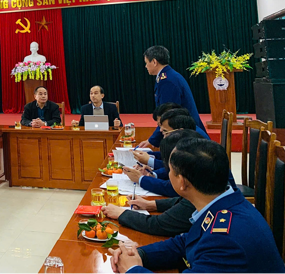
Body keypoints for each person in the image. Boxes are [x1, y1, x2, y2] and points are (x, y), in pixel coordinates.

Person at [109, 138, 284, 274]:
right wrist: (139, 255)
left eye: (170, 171)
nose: (168, 174)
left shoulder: (225, 240)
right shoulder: (224, 204)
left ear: (182, 183)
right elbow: (186, 241)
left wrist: (133, 270)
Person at [101, 130, 203, 237]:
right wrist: (150, 204)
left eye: (170, 171)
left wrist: (121, 213)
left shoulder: (197, 200)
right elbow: (183, 202)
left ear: (181, 180)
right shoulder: (201, 189)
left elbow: (158, 225)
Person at [138, 46, 205, 148]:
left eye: (146, 63)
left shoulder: (167, 81)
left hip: (188, 135)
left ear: (154, 62)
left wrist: (152, 141)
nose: (146, 66)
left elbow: (168, 114)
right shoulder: (168, 76)